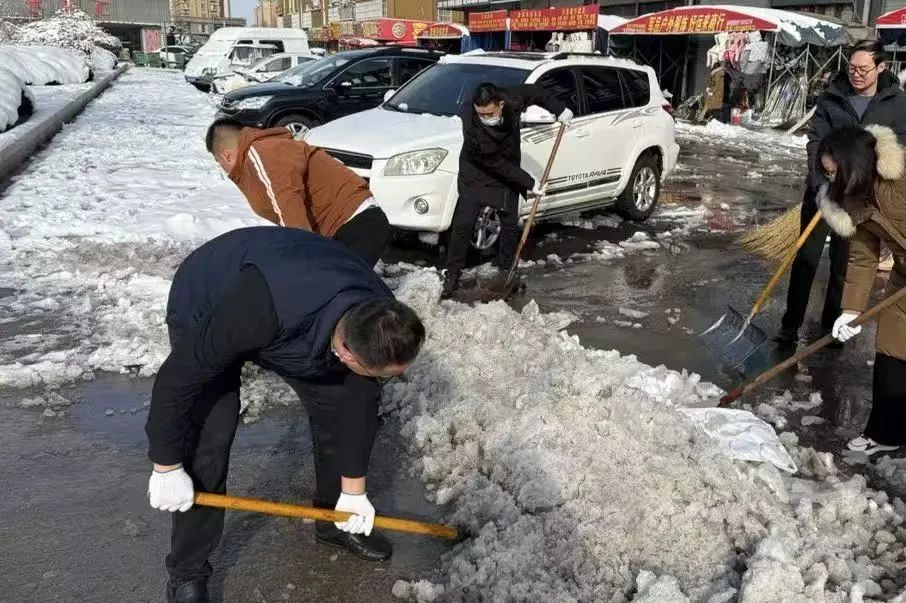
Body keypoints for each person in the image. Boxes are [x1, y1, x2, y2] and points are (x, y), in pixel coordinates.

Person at [145, 227, 425, 603]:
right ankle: (187, 573)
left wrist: (352, 494)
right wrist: (165, 465)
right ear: (345, 354)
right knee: (211, 433)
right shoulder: (258, 310)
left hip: (296, 309)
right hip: (210, 297)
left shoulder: (379, 316)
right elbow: (178, 379)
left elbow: (356, 409)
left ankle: (334, 522)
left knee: (337, 410)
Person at [776, 39, 906, 346]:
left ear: (881, 67)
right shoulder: (833, 95)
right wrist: (821, 179)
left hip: (861, 197)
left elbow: (899, 146)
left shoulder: (897, 102)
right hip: (824, 188)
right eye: (851, 67)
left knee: (845, 260)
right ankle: (789, 325)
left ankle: (833, 326)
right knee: (806, 257)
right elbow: (816, 139)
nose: (856, 74)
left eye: (863, 68)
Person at [818, 125, 905, 455]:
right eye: (827, 174)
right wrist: (851, 309)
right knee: (892, 349)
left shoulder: (900, 176)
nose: (831, 181)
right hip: (903, 276)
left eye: (834, 172)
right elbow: (864, 255)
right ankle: (887, 434)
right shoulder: (853, 199)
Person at [441, 82, 573, 298]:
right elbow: (493, 162)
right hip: (477, 173)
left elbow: (534, 92)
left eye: (489, 113)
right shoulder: (471, 123)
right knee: (464, 225)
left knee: (510, 224)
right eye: (481, 113)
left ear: (500, 104)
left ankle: (505, 271)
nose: (485, 117)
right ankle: (452, 275)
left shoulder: (512, 99)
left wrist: (559, 109)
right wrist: (529, 183)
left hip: (507, 168)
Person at [205, 118, 391, 267]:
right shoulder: (257, 158)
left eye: (217, 161)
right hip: (345, 229)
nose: (222, 167)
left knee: (328, 292)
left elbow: (287, 201)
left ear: (225, 155)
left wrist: (301, 258)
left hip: (356, 225)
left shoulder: (261, 152)